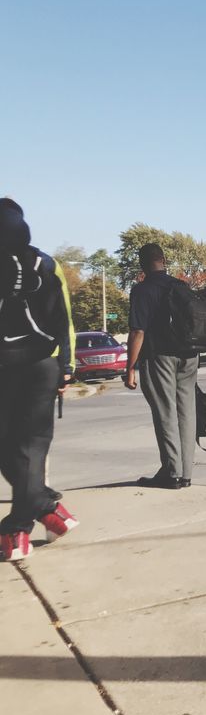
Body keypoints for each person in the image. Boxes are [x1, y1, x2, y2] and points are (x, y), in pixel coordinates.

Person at [0, 199, 78, 561]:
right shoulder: (46, 263)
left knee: (9, 450)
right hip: (42, 365)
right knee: (30, 448)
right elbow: (64, 319)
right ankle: (47, 508)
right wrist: (66, 365)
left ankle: (18, 530)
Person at [125, 243, 199, 489]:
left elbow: (137, 331)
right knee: (186, 413)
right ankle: (185, 473)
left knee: (165, 413)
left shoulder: (142, 290)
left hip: (160, 357)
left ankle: (171, 473)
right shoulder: (180, 286)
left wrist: (130, 368)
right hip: (189, 356)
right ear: (164, 261)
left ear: (142, 264)